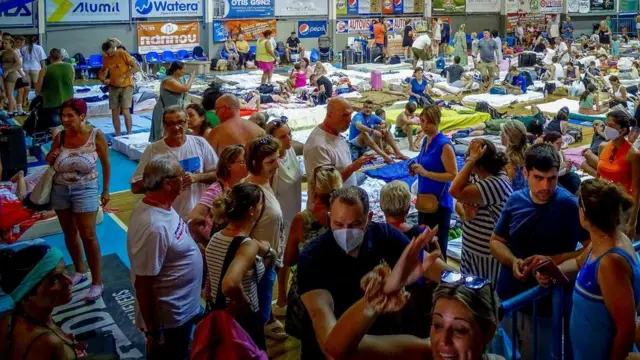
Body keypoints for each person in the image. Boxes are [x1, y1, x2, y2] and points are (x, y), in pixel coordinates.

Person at [297, 186, 454, 360]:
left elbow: (427, 265)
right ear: (329, 219)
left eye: (355, 224)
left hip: (379, 337)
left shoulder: (384, 235)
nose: (346, 232)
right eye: (339, 225)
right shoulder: (312, 258)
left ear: (369, 218)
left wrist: (466, 282)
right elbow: (331, 343)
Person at [490, 143, 589, 357]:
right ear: (525, 173)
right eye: (538, 178)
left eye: (552, 179)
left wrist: (555, 261)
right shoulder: (516, 199)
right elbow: (496, 241)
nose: (546, 186)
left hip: (546, 305)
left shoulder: (569, 205)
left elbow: (592, 249)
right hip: (508, 297)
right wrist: (512, 260)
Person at [535, 178, 640, 359]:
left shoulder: (610, 262)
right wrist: (553, 271)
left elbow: (626, 328)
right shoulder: (601, 240)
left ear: (584, 214)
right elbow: (577, 264)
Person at [127, 155, 203, 360]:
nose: (186, 178)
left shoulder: (161, 208)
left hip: (180, 310)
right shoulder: (154, 226)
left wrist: (190, 231)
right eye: (181, 175)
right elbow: (143, 285)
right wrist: (153, 332)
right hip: (170, 320)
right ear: (168, 183)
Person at [46, 98, 110, 301]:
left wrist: (106, 190)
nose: (64, 120)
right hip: (60, 189)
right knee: (69, 232)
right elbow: (50, 160)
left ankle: (97, 282)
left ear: (82, 116)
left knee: (88, 235)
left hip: (86, 188)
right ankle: (80, 271)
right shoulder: (61, 136)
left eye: (69, 116)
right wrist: (52, 155)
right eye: (62, 116)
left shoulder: (95, 135)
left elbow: (106, 164)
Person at [206, 182, 274, 350]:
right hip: (242, 322)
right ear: (252, 210)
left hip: (218, 314)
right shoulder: (247, 245)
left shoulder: (217, 236)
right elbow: (230, 284)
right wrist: (244, 304)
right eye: (260, 203)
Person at [282, 165, 342, 337]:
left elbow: (289, 260)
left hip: (307, 294)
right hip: (339, 290)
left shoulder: (302, 220)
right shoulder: (345, 218)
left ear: (312, 190)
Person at [0, 245, 89, 359]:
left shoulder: (8, 321)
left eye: (65, 269)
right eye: (54, 280)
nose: (69, 281)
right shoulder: (49, 343)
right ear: (29, 294)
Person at [131, 106, 218, 220]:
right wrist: (164, 182)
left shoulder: (200, 143)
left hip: (197, 217)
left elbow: (219, 175)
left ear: (187, 122)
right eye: (171, 124)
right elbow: (136, 187)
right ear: (164, 126)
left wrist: (197, 177)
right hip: (167, 217)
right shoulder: (153, 150)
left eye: (180, 122)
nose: (176, 127)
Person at [449, 139, 513, 284]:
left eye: (469, 156)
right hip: (470, 250)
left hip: (487, 257)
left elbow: (453, 190)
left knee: (483, 297)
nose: (466, 160)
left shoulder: (495, 183)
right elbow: (458, 202)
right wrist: (466, 215)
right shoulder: (475, 176)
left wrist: (471, 159)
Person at [244, 136, 288, 340]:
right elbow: (241, 234)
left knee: (264, 303)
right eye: (270, 162)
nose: (277, 165)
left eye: (277, 159)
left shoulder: (262, 183)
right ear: (255, 164)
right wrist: (267, 252)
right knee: (257, 316)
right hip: (259, 264)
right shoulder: (253, 193)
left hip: (268, 259)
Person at [303, 97, 373, 209]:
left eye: (350, 115)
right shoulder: (318, 146)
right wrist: (352, 167)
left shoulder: (335, 132)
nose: (350, 120)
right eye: (344, 115)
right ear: (329, 115)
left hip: (342, 203)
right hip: (328, 210)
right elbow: (326, 187)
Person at [410, 105, 458, 259]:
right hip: (424, 198)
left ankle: (440, 277)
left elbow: (452, 175)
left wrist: (426, 173)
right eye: (422, 121)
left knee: (437, 244)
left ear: (436, 122)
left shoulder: (443, 145)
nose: (424, 125)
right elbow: (421, 161)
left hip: (439, 202)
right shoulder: (425, 140)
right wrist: (413, 168)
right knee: (424, 240)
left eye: (428, 122)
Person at [267, 117, 303, 316]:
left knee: (290, 258)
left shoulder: (289, 152)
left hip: (294, 210)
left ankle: (287, 295)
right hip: (280, 218)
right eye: (283, 136)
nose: (288, 139)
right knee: (281, 261)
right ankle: (280, 298)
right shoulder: (273, 165)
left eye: (289, 134)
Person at [187, 144, 248, 245]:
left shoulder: (242, 185)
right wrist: (207, 242)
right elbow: (193, 218)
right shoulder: (216, 189)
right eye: (242, 162)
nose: (247, 165)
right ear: (229, 165)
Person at [595, 110, 640, 238]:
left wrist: (632, 221)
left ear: (622, 130)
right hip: (603, 200)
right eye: (606, 124)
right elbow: (598, 176)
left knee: (617, 242)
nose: (606, 128)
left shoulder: (633, 154)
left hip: (622, 205)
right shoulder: (603, 147)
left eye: (611, 126)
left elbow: (637, 190)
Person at [99, 40, 140, 137]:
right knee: (114, 111)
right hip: (113, 86)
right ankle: (117, 134)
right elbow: (104, 70)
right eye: (107, 54)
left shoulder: (122, 54)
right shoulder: (106, 58)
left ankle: (129, 133)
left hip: (126, 85)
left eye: (111, 53)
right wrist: (103, 78)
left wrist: (123, 76)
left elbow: (136, 68)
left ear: (114, 49)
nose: (110, 55)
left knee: (125, 111)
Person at [149, 61, 194, 142]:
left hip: (177, 111)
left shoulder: (181, 79)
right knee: (164, 134)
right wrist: (192, 77)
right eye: (183, 69)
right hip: (164, 110)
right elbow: (185, 89)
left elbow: (185, 94)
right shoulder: (168, 81)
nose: (184, 71)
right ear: (177, 70)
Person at [34, 48, 74, 135]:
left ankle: (58, 147)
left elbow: (37, 89)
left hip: (51, 102)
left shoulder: (45, 69)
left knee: (55, 127)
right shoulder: (70, 67)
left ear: (50, 58)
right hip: (68, 101)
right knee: (69, 125)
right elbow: (72, 81)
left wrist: (42, 93)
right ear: (61, 56)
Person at [502, 120, 529, 191]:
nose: (500, 135)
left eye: (502, 133)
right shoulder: (529, 152)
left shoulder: (507, 160)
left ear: (509, 137)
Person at [1, 37, 23, 117]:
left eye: (6, 43)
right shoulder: (4, 52)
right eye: (3, 43)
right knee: (8, 93)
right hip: (5, 73)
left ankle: (10, 111)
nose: (4, 45)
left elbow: (19, 64)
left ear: (11, 44)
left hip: (11, 74)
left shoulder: (13, 52)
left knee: (10, 94)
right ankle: (14, 110)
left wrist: (9, 71)